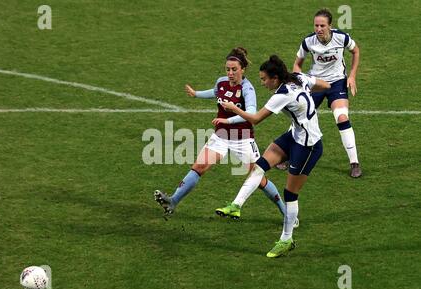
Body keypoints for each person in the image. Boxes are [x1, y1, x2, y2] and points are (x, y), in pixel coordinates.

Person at [154, 47, 286, 220]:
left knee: (258, 178)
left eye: (234, 69)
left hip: (243, 139)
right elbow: (215, 92)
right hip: (221, 137)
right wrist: (196, 94)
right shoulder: (222, 82)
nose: (230, 73)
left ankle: (285, 212)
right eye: (228, 69)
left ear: (243, 69)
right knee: (199, 166)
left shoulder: (247, 89)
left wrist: (228, 120)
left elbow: (253, 113)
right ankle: (173, 201)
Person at [219, 55, 330, 258]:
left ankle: (286, 239)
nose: (262, 83)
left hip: (308, 146)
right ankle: (236, 205)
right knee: (259, 166)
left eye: (264, 79)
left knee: (290, 194)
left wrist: (234, 108)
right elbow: (325, 84)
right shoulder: (298, 77)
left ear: (276, 78)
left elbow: (256, 119)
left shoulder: (281, 95)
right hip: (294, 135)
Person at [293, 8, 362, 178]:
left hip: (337, 83)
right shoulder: (308, 42)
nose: (319, 29)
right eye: (316, 25)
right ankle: (288, 155)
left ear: (330, 25)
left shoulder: (342, 38)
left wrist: (352, 75)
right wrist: (301, 82)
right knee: (299, 119)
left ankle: (354, 163)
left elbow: (356, 51)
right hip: (315, 83)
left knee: (342, 117)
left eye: (322, 25)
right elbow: (297, 65)